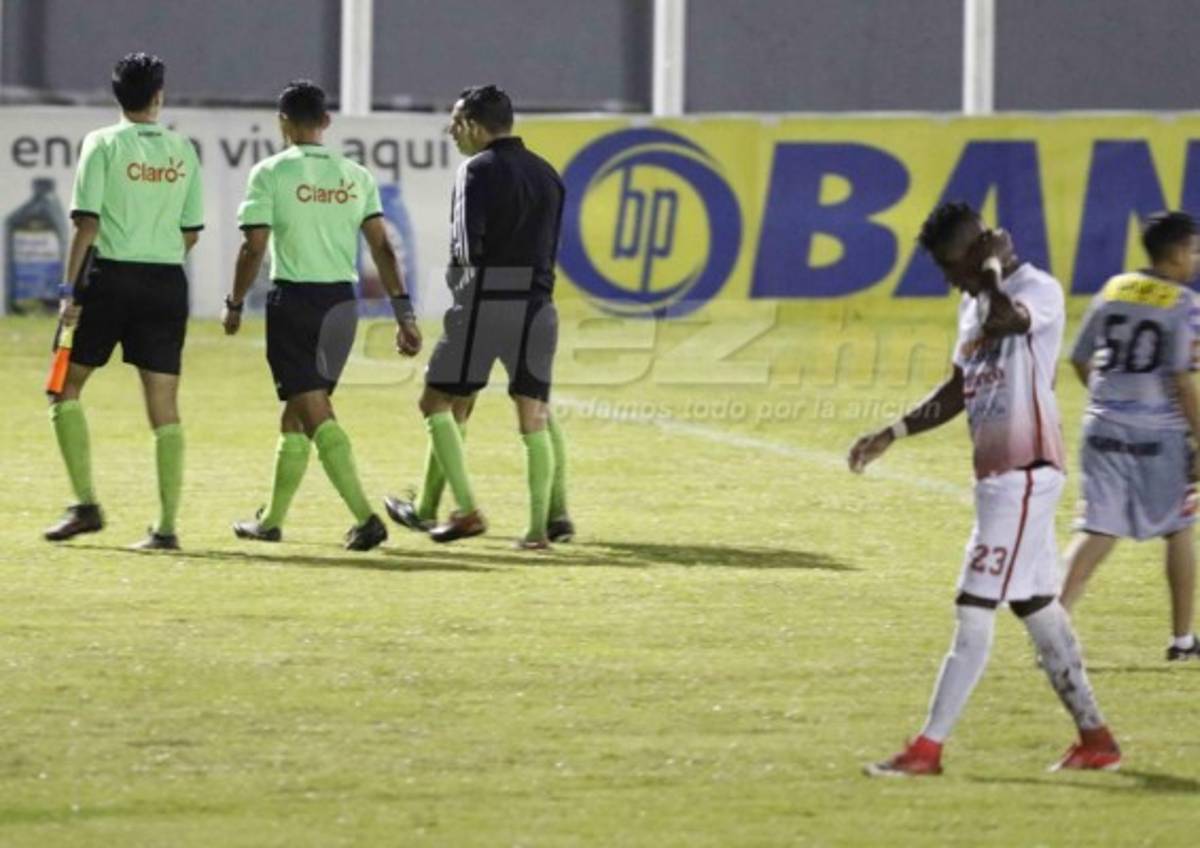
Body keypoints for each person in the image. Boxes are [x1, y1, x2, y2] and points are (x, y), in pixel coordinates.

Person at [847, 202, 1119, 776]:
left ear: (982, 252)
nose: (952, 280)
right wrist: (892, 432)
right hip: (1002, 477)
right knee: (1036, 605)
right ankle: (1096, 740)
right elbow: (959, 386)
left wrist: (993, 271)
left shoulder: (1034, 288)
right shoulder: (972, 303)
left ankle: (927, 750)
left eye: (956, 267)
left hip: (1024, 472)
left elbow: (1008, 320)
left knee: (973, 610)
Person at [222, 80, 421, 551]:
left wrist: (234, 302)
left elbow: (254, 246)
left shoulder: (269, 173)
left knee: (314, 411)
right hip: (342, 305)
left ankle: (365, 516)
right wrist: (403, 313)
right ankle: (269, 520)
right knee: (296, 414)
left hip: (294, 302)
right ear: (326, 122)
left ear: (283, 123)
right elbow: (383, 247)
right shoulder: (356, 175)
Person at [383, 85, 572, 549]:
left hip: (487, 303)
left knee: (437, 403)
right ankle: (545, 525)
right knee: (534, 414)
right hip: (538, 306)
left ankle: (465, 511)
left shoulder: (476, 171)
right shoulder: (549, 175)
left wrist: (461, 298)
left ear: (471, 124)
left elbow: (465, 250)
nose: (450, 131)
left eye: (454, 122)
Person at [43, 52, 203, 551]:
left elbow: (85, 225)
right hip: (166, 283)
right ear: (160, 95)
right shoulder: (183, 149)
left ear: (117, 95)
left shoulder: (102, 144)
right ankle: (166, 528)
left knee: (64, 390)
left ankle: (85, 504)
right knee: (163, 407)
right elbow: (191, 232)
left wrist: (69, 291)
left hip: (109, 280)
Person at [1060, 211, 1200, 661]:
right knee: (1180, 529)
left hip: (1101, 428)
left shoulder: (1112, 289)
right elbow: (1182, 380)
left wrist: (1112, 402)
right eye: (1195, 250)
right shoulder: (1184, 304)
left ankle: (1052, 633)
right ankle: (1182, 642)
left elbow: (1080, 359)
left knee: (1098, 529)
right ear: (1178, 251)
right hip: (1161, 437)